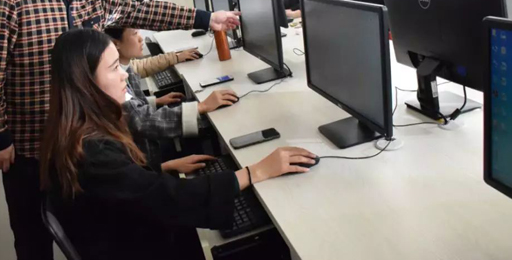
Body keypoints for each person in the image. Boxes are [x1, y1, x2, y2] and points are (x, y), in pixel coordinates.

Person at [0, 0, 240, 260]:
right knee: (32, 237)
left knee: (87, 226)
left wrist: (206, 18)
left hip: (82, 144)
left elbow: (141, 10)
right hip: (30, 148)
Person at [40, 28, 318, 260]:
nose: (125, 74)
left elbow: (121, 187)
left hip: (121, 234)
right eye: (114, 68)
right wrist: (254, 172)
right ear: (85, 82)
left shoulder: (78, 128)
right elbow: (169, 200)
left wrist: (163, 167)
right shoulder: (93, 151)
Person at [105, 27, 239, 164]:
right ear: (116, 44)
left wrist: (155, 101)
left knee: (197, 112)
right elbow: (142, 121)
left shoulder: (124, 68)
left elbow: (132, 106)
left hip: (147, 156)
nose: (141, 38)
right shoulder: (115, 80)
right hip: (146, 158)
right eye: (135, 34)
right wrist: (201, 106)